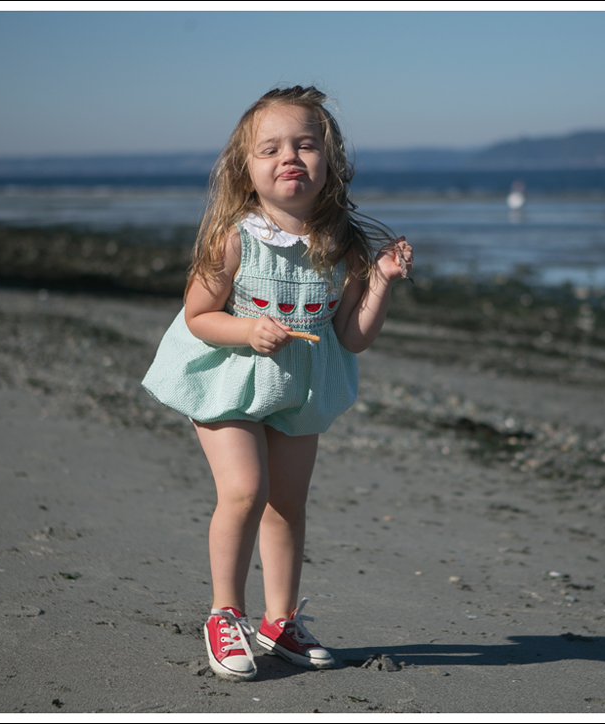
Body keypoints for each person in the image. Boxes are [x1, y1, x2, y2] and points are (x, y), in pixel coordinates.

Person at [142, 86, 413, 680]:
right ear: (247, 169)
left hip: (298, 388)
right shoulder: (235, 237)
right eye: (271, 148)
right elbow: (198, 316)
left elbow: (353, 334)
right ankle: (224, 615)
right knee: (245, 490)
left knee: (287, 504)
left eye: (306, 144)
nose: (290, 156)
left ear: (330, 163)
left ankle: (280, 621)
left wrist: (383, 280)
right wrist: (247, 333)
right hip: (227, 379)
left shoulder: (344, 246)